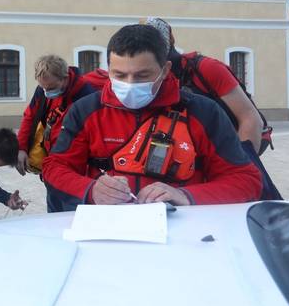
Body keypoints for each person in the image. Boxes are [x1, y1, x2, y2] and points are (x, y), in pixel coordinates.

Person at [43, 24, 262, 211]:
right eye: (119, 75)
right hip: (108, 230)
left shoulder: (204, 112)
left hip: (184, 231)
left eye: (142, 75)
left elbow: (246, 180)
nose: (129, 84)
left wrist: (186, 196)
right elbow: (54, 168)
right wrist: (90, 190)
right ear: (108, 68)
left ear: (165, 70)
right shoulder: (86, 110)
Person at [145, 17, 267, 154]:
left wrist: (244, 165)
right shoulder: (148, 76)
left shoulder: (207, 68)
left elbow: (250, 118)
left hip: (230, 146)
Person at [16, 55, 103, 177]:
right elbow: (29, 117)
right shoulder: (43, 89)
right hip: (52, 156)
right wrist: (21, 148)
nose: (46, 92)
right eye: (43, 87)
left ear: (65, 78)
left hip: (75, 164)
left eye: (51, 88)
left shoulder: (86, 96)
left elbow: (93, 137)